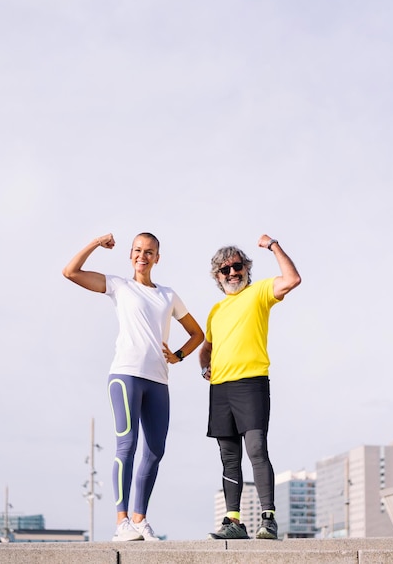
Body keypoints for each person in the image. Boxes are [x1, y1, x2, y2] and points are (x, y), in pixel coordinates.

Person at [63, 232, 204, 541]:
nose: (144, 255)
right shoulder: (119, 285)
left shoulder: (168, 295)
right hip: (125, 375)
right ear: (130, 255)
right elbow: (70, 272)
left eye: (150, 251)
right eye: (138, 250)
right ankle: (121, 522)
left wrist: (178, 356)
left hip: (158, 381)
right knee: (127, 445)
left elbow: (197, 333)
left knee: (155, 451)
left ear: (157, 257)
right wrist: (95, 244)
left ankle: (140, 520)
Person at [199, 235, 301, 540]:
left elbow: (293, 279)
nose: (232, 273)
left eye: (237, 266)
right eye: (225, 270)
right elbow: (206, 348)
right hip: (220, 389)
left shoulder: (259, 292)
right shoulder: (216, 310)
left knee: (256, 449)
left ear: (246, 268)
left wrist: (274, 246)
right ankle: (234, 522)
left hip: (251, 383)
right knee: (229, 456)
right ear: (217, 277)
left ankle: (268, 518)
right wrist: (204, 366)